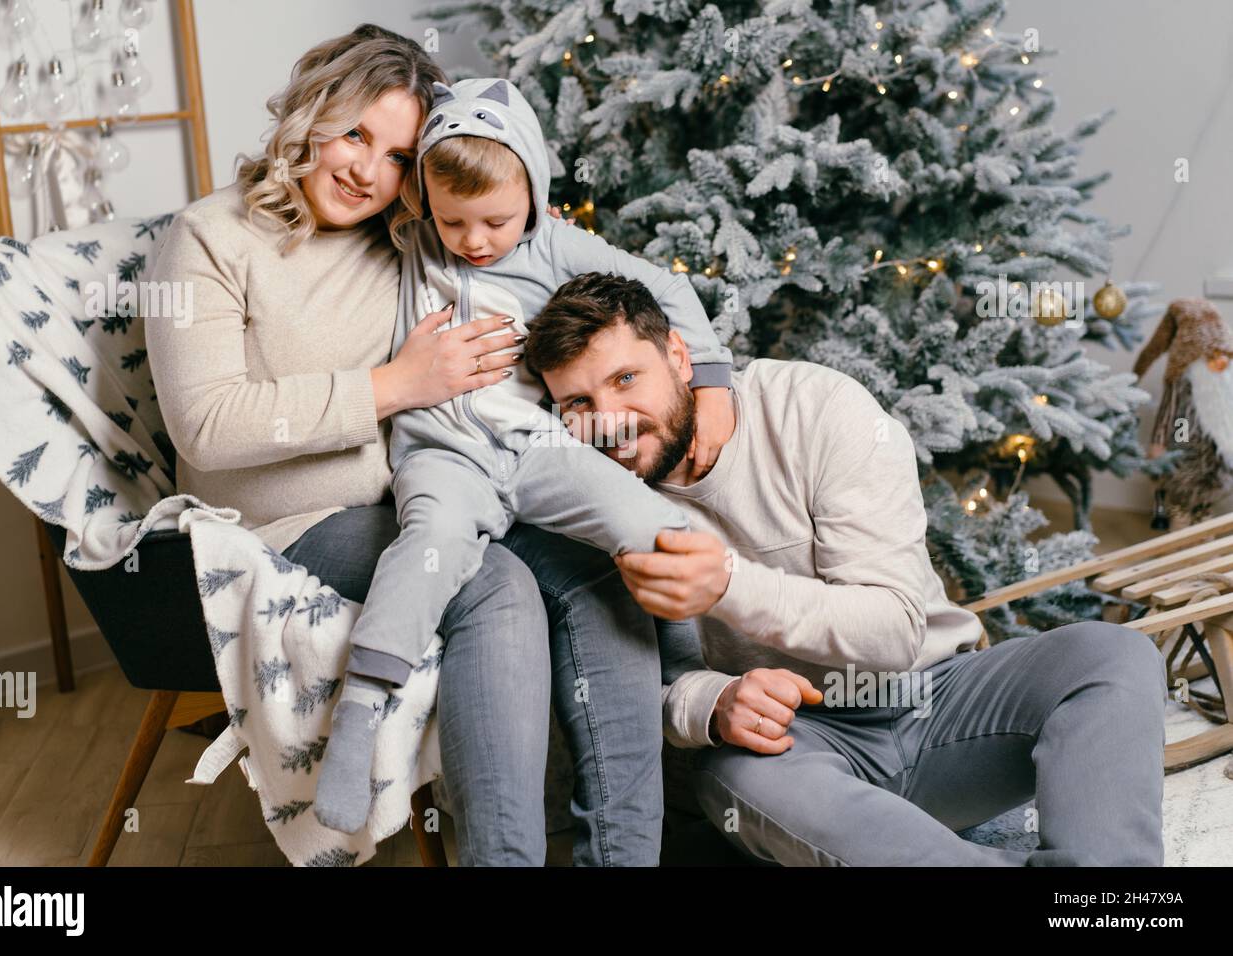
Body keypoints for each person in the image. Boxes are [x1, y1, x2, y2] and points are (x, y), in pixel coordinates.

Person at [145, 25, 672, 865]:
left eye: (396, 156)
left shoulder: (414, 239)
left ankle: (624, 856)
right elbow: (205, 425)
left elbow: (538, 256)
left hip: (437, 486)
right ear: (308, 118)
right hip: (292, 520)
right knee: (492, 586)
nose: (366, 170)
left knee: (595, 574)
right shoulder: (206, 238)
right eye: (355, 134)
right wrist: (395, 385)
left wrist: (694, 381)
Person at [522, 271, 1169, 866]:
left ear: (679, 358)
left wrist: (727, 585)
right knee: (733, 777)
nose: (608, 423)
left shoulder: (813, 408)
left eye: (626, 380)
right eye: (578, 404)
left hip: (936, 700)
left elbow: (892, 631)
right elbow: (618, 691)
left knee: (1114, 654)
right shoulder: (587, 502)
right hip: (798, 755)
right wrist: (711, 703)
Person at [313, 75, 736, 834]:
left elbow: (665, 290)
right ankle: (360, 714)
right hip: (442, 455)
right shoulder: (413, 239)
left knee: (657, 525)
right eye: (455, 222)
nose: (475, 240)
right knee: (429, 547)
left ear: (534, 193)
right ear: (425, 205)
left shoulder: (555, 245)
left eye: (495, 220)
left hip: (539, 451)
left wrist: (710, 379)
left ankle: (683, 672)